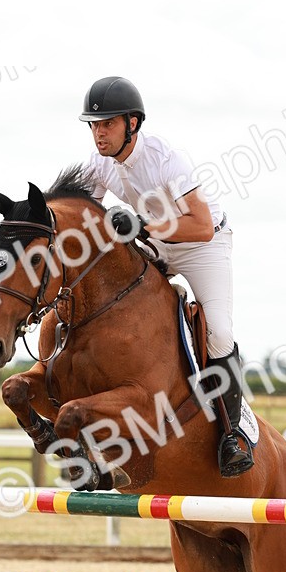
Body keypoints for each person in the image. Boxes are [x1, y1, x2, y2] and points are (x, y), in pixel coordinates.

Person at [79, 75, 253, 477]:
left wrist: (142, 225)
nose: (98, 132)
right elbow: (85, 219)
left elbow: (201, 226)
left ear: (132, 124)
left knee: (221, 332)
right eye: (93, 124)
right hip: (156, 242)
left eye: (106, 123)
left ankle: (233, 435)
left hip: (203, 246)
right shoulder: (98, 163)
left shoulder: (166, 159)